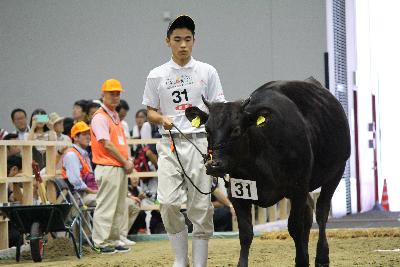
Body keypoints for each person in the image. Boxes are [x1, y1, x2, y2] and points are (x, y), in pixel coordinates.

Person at [142, 15, 226, 267]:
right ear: (168, 41)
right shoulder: (156, 75)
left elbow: (219, 107)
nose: (182, 45)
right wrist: (161, 119)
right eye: (177, 39)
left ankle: (199, 262)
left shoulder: (207, 71)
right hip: (169, 143)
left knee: (200, 204)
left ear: (194, 41)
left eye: (187, 39)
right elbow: (150, 111)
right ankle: (181, 259)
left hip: (200, 142)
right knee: (167, 202)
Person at [62, 121, 139, 246]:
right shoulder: (72, 154)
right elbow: (75, 182)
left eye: (89, 134)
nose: (88, 137)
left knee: (131, 204)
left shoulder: (85, 154)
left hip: (91, 193)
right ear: (75, 137)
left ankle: (120, 236)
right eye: (84, 134)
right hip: (81, 196)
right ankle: (109, 239)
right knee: (112, 201)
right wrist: (93, 191)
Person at [90, 79, 134, 254]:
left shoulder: (114, 116)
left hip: (118, 166)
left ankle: (114, 240)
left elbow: (120, 143)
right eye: (112, 93)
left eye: (118, 93)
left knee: (118, 207)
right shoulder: (100, 117)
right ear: (103, 95)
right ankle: (100, 242)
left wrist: (126, 162)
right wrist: (125, 162)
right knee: (107, 206)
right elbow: (106, 144)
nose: (115, 96)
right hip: (108, 166)